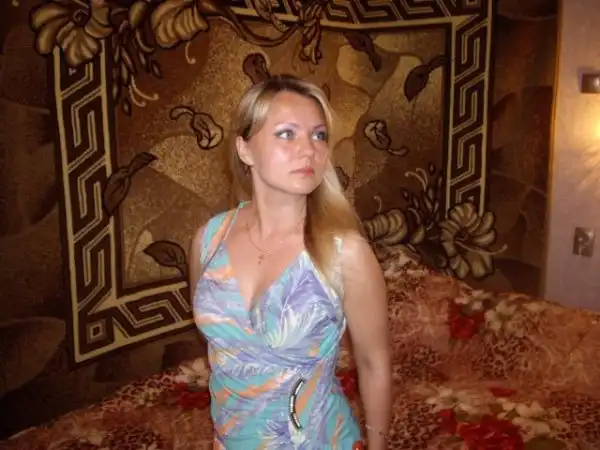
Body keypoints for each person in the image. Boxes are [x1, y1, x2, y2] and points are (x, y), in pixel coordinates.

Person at [189, 74, 392, 449]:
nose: (309, 149)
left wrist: (378, 446)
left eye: (318, 135)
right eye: (287, 134)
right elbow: (218, 342)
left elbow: (373, 362)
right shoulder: (208, 239)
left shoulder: (346, 252)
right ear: (245, 150)